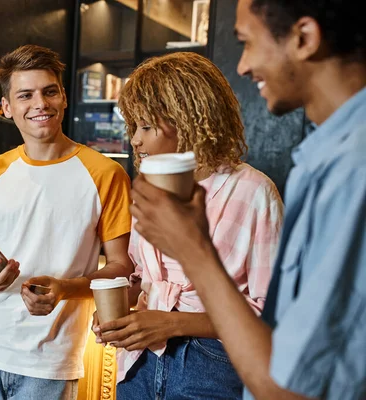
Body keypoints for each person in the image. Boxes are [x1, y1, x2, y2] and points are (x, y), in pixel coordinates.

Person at [125, 0, 366, 399]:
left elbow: (293, 376)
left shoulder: (343, 169)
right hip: (143, 363)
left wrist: (193, 249)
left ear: (305, 38)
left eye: (247, 42)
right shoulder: (318, 160)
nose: (241, 66)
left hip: (211, 365)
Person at [93, 52, 284, 399]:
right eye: (133, 127)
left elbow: (271, 315)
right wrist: (117, 312)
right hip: (139, 364)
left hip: (214, 364)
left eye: (146, 126)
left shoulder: (254, 192)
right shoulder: (149, 189)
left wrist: (173, 323)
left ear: (188, 120)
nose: (135, 140)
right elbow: (140, 279)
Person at [0, 44, 134, 400]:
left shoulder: (106, 174)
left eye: (49, 91)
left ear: (64, 97)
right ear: (7, 107)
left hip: (51, 362)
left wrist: (65, 288)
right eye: (25, 95)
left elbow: (121, 268)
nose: (40, 103)